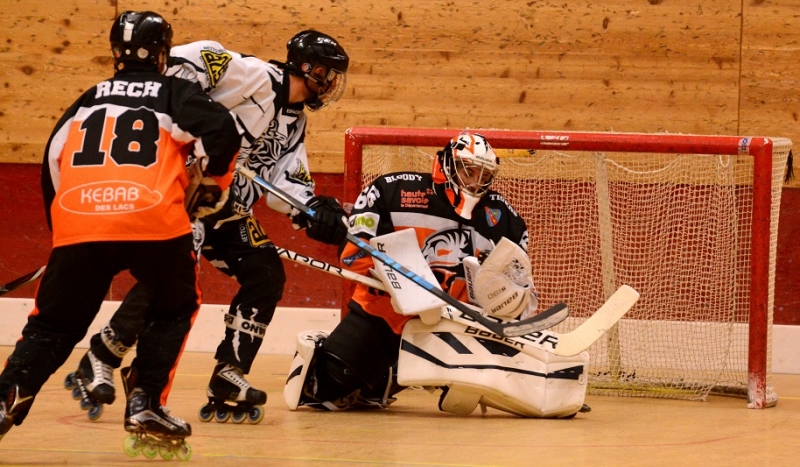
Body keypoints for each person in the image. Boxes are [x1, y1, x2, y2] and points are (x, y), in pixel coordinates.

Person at [67, 29, 351, 424]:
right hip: (189, 198)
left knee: (265, 273)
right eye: (329, 73)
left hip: (229, 211)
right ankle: (104, 352)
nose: (332, 84)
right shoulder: (256, 76)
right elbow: (198, 56)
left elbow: (286, 188)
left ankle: (227, 374)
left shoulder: (294, 123)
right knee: (172, 274)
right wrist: (196, 113)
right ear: (309, 69)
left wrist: (316, 210)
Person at [0, 10, 241, 455]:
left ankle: (6, 396)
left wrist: (65, 234)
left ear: (115, 53)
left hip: (79, 222)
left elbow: (52, 165)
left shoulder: (86, 100)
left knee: (51, 327)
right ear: (163, 52)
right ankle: (146, 401)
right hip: (153, 221)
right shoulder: (174, 91)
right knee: (174, 306)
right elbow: (222, 130)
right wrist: (211, 184)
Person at [282, 132, 590, 418]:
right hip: (383, 316)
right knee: (326, 392)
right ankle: (384, 373)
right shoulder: (393, 190)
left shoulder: (505, 221)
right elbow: (353, 254)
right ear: (446, 165)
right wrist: (392, 275)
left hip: (454, 325)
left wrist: (512, 300)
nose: (476, 182)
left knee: (490, 382)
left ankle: (546, 385)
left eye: (484, 175)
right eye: (469, 171)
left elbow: (523, 294)